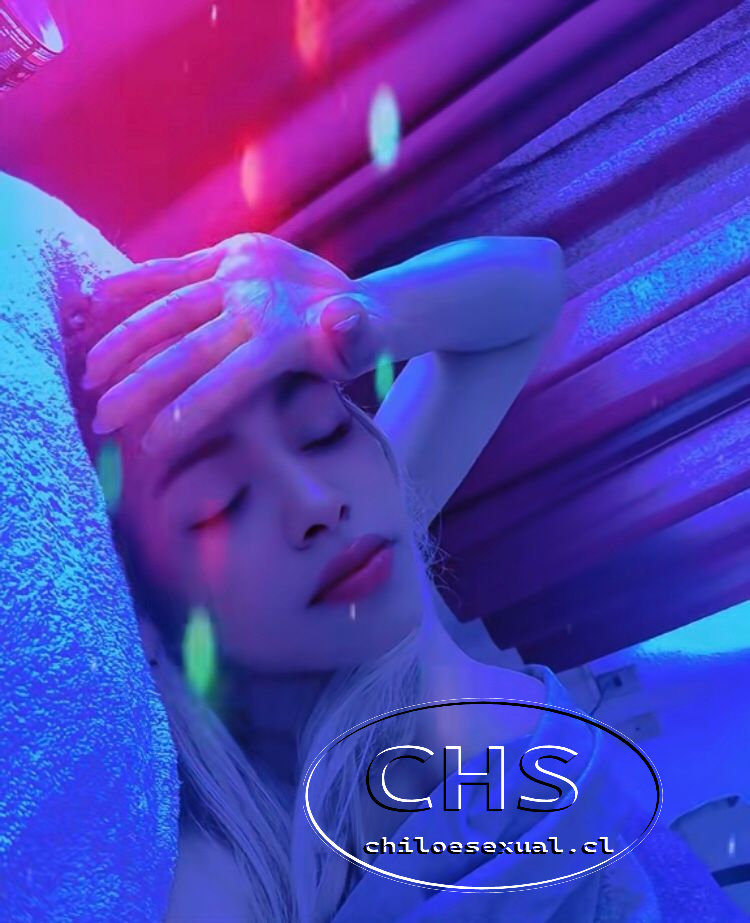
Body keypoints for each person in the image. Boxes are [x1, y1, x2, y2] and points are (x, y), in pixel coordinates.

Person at [4, 170, 744, 923]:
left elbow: (530, 284)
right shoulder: (225, 873)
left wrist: (355, 316)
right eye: (221, 505)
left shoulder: (365, 559)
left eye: (322, 431)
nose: (316, 502)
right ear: (150, 621)